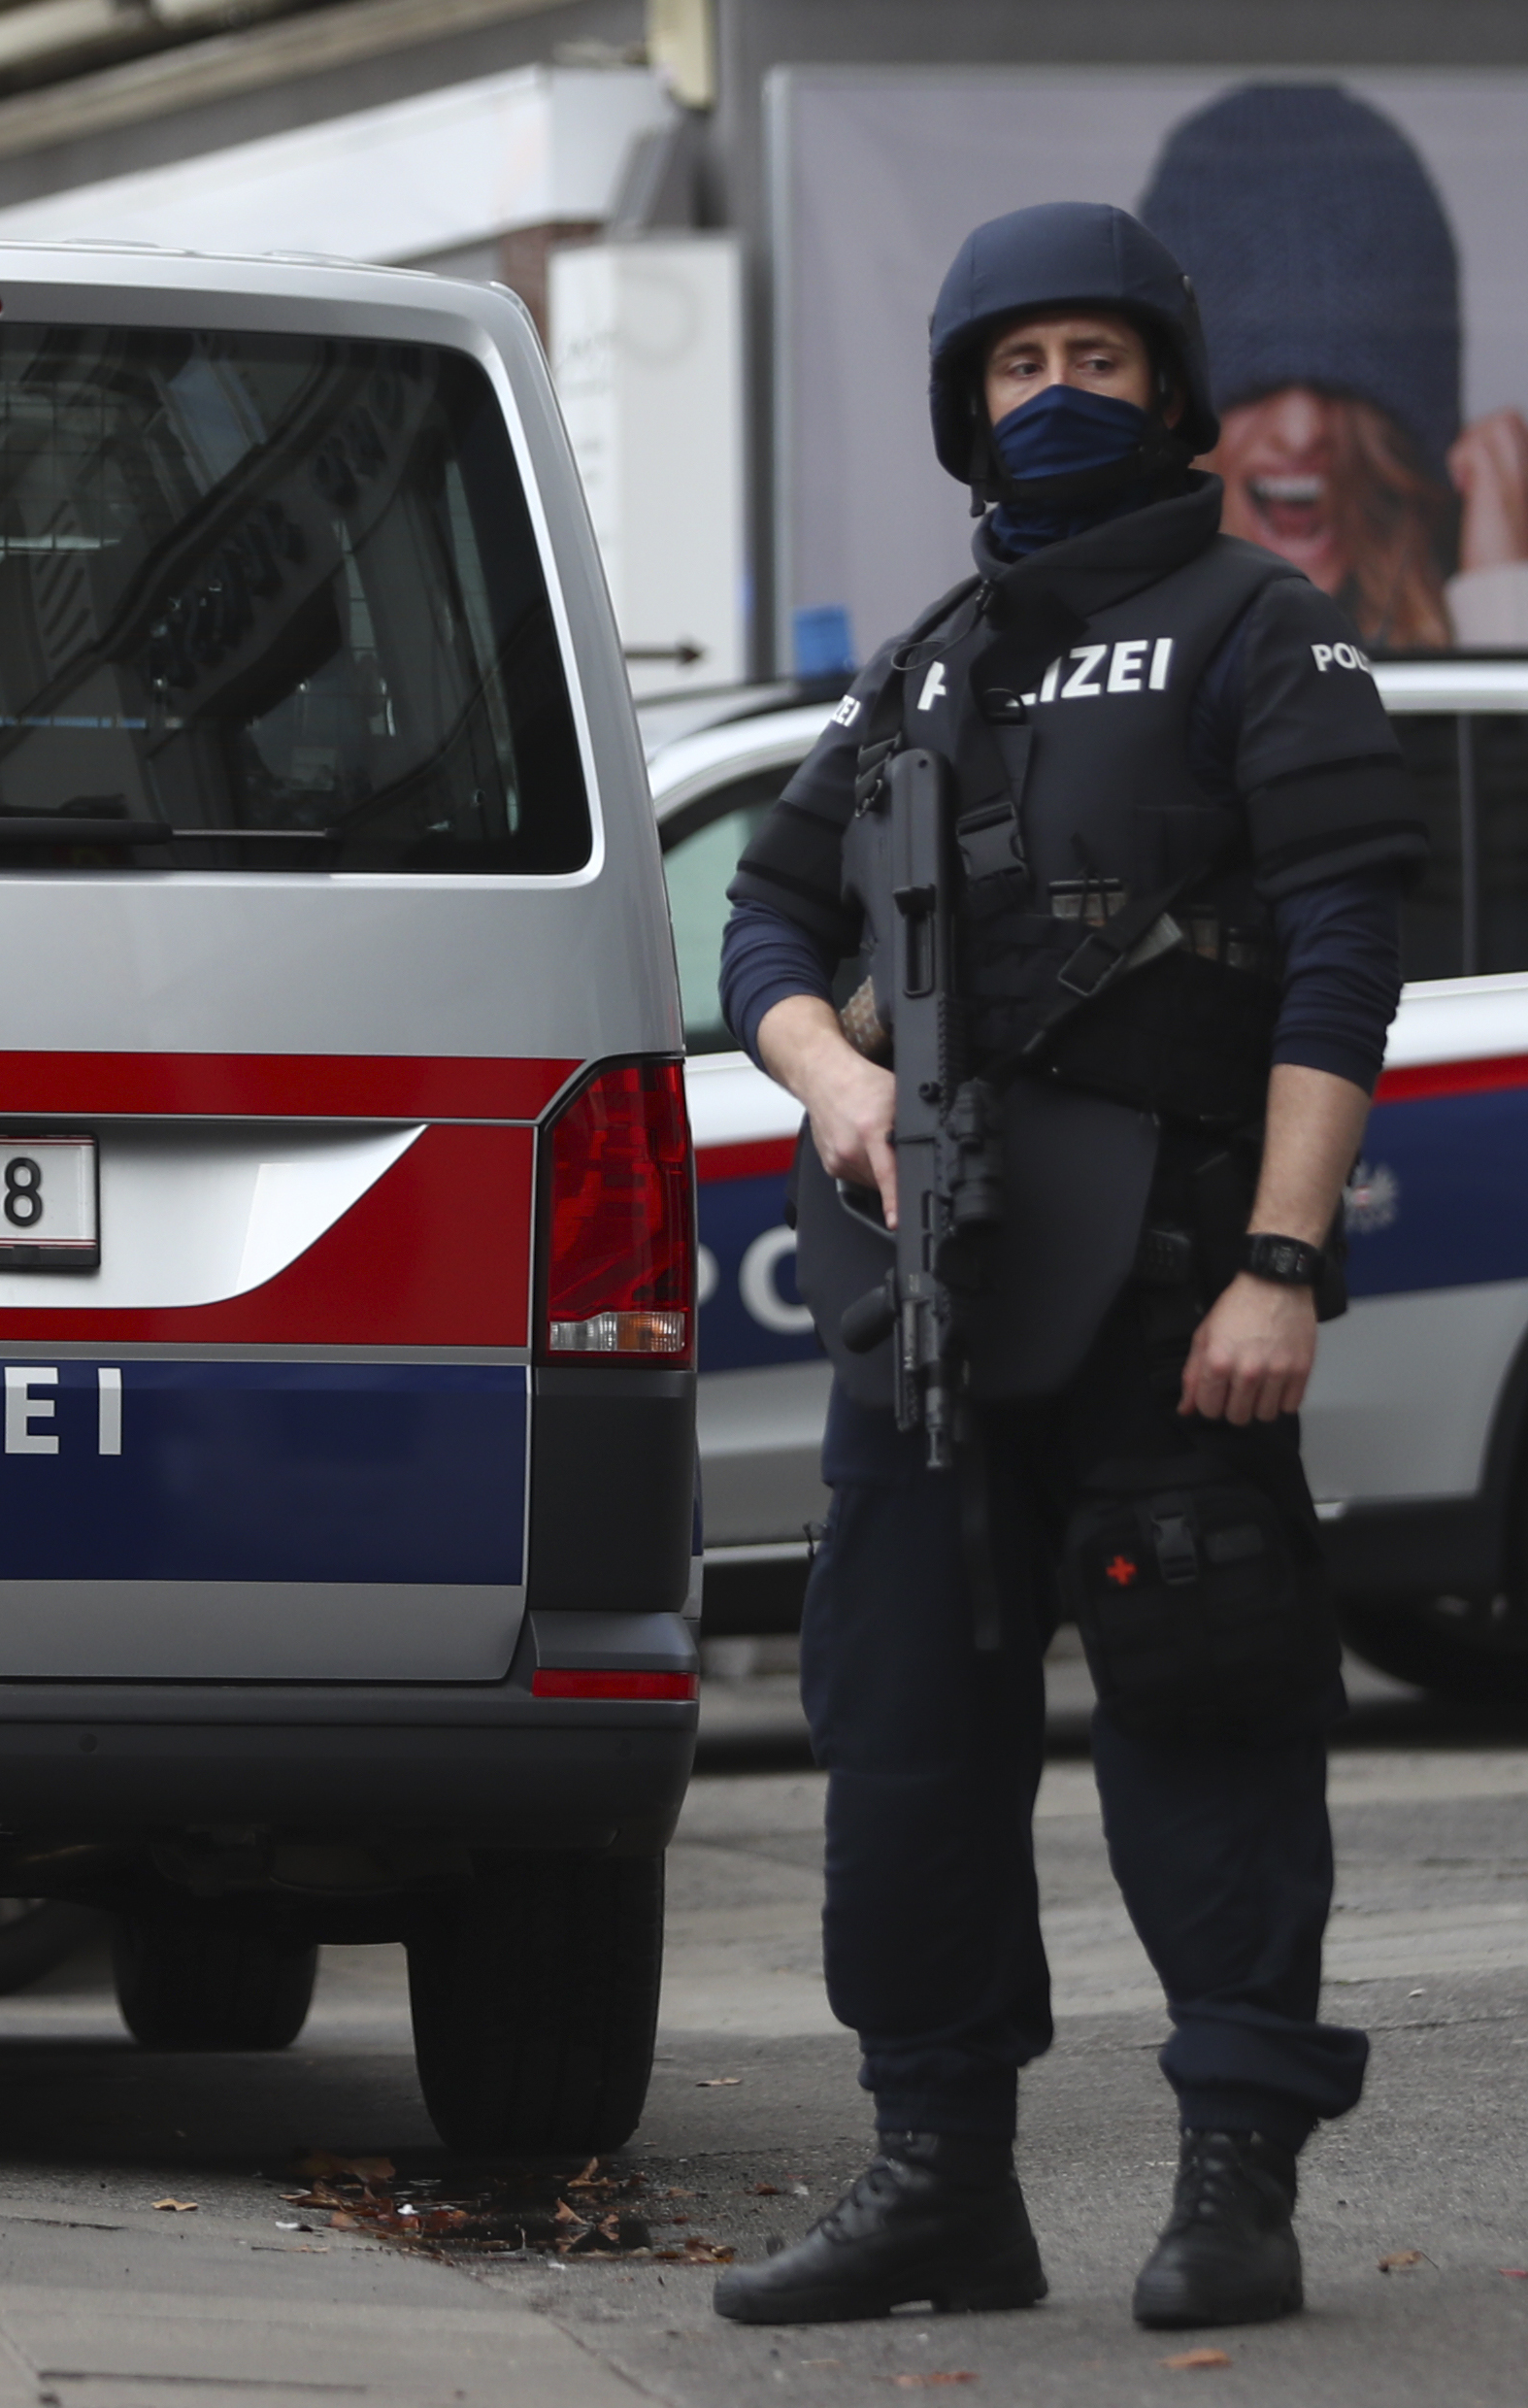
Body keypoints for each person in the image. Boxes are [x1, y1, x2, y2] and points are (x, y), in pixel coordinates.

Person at [709, 204, 1417, 2332]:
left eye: (1095, 357)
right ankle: (941, 2176)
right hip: (942, 1281)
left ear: (1170, 383)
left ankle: (1234, 2178)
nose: (1056, 398)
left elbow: (1339, 962)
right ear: (965, 405)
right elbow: (764, 917)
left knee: (1207, 1725)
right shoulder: (930, 661)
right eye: (1016, 368)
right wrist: (832, 1077)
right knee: (902, 1730)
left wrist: (1281, 1261)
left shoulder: (1259, 631)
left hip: (1181, 1278)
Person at [1139, 81, 1528, 649]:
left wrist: (1501, 596)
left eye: (1345, 387)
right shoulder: (1091, 674)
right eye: (1255, 385)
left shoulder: (1485, 614)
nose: (1302, 431)